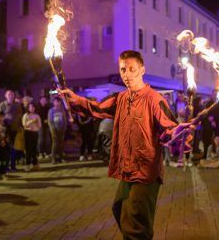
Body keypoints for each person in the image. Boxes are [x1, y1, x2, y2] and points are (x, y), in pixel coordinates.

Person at [59, 50, 188, 239]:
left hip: (145, 172)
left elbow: (170, 128)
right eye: (123, 70)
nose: (126, 74)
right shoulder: (120, 99)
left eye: (131, 69)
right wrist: (75, 99)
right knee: (120, 209)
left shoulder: (154, 99)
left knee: (136, 224)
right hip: (127, 169)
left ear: (142, 70)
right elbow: (96, 108)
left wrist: (178, 135)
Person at [0, 90, 23, 171]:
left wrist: (20, 126)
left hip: (15, 128)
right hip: (6, 129)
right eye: (9, 94)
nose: (11, 96)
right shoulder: (2, 105)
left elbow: (20, 116)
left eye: (12, 94)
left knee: (14, 148)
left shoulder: (17, 105)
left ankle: (13, 165)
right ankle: (6, 166)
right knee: (7, 148)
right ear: (5, 96)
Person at [22, 102, 42, 171]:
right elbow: (24, 124)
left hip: (35, 133)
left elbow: (40, 126)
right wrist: (31, 121)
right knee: (28, 150)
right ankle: (27, 165)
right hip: (28, 133)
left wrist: (36, 123)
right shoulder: (26, 115)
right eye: (30, 107)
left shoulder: (37, 115)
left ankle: (35, 164)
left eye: (33, 107)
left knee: (34, 149)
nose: (32, 108)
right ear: (28, 108)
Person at [48, 97, 67, 164]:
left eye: (58, 102)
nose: (56, 103)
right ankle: (53, 159)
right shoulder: (51, 110)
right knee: (55, 143)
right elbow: (50, 121)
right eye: (55, 101)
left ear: (60, 102)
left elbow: (64, 120)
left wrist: (64, 128)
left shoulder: (62, 110)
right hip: (54, 129)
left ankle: (61, 158)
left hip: (61, 129)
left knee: (61, 144)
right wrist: (53, 129)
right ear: (53, 102)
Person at [0, 111, 11, 180]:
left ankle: (3, 173)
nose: (0, 118)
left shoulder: (6, 124)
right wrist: (0, 141)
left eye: (1, 117)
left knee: (4, 159)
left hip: (5, 144)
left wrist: (6, 141)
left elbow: (8, 134)